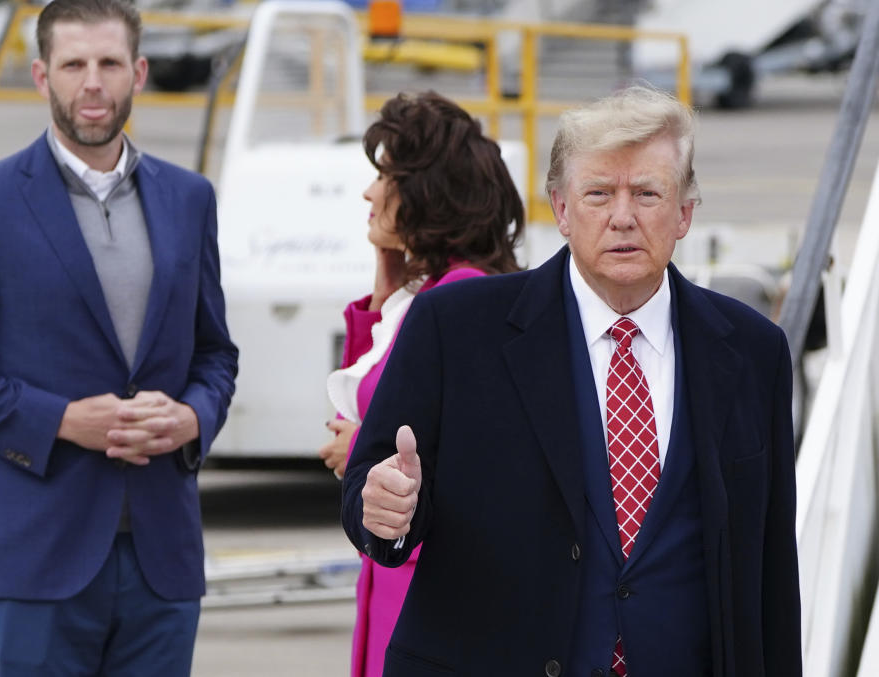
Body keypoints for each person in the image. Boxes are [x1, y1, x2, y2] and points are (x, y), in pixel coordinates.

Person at [341, 86, 801, 676]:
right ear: (560, 209)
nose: (623, 216)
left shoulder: (752, 352)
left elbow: (771, 571)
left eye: (648, 193)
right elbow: (372, 491)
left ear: (684, 213)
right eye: (599, 193)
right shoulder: (455, 329)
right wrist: (383, 508)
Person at [0, 0, 238, 674]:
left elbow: (214, 352)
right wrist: (61, 419)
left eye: (109, 63)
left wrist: (191, 416)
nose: (92, 82)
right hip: (35, 558)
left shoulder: (190, 199)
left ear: (139, 72)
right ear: (42, 76)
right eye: (73, 64)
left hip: (163, 559)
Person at [321, 91, 525, 677]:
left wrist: (356, 447)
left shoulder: (461, 301)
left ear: (427, 190)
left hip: (427, 588)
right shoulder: (437, 292)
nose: (369, 192)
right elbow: (379, 408)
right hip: (394, 571)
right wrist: (383, 291)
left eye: (383, 176)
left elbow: (471, 455)